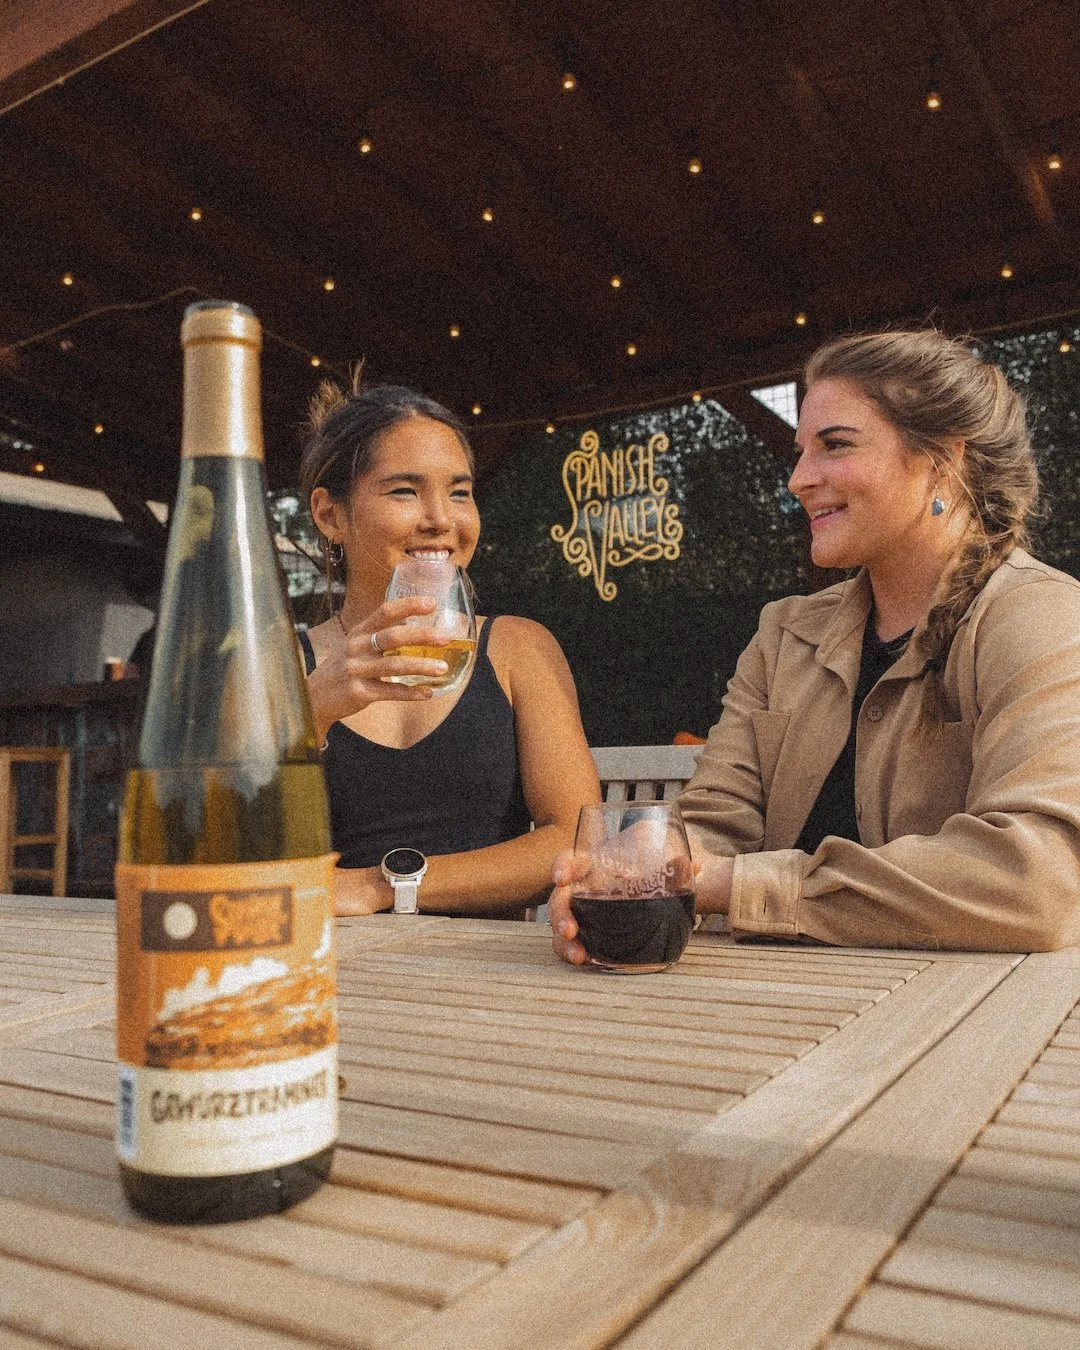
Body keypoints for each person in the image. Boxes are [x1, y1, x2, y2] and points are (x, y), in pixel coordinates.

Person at [552, 329, 1080, 956]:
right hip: (782, 1007)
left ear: (942, 460)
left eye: (835, 446)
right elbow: (713, 826)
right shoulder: (787, 634)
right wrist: (639, 865)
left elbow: (1036, 881)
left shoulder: (1039, 617)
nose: (799, 479)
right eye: (801, 451)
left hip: (971, 1027)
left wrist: (722, 881)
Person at [297, 377, 600, 917]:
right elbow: (218, 855)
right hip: (321, 965)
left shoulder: (515, 649)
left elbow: (576, 840)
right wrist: (307, 716)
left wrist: (380, 887)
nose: (441, 519)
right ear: (329, 515)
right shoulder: (280, 666)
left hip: (483, 975)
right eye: (405, 491)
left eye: (459, 492)